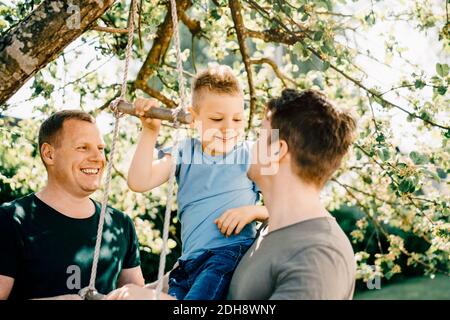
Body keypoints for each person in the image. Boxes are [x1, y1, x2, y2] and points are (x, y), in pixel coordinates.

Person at [106, 88, 357, 300]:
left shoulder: (318, 255)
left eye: (259, 135)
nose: (244, 140)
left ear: (276, 151)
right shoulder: (260, 235)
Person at [126, 65, 268, 300]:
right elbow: (139, 181)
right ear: (194, 118)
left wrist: (252, 211)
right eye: (216, 119)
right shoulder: (184, 152)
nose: (228, 128)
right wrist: (149, 132)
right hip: (187, 262)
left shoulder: (252, 155)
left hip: (228, 254)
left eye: (237, 119)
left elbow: (283, 209)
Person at [0, 110, 144, 300]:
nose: (97, 157)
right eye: (83, 147)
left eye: (100, 148)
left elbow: (135, 295)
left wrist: (169, 281)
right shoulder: (11, 219)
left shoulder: (120, 224)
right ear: (49, 154)